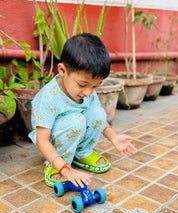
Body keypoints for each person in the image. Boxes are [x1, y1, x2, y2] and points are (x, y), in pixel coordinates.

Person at [29, 33, 136, 188]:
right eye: (82, 84)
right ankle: (59, 162)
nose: (88, 92)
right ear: (62, 70)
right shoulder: (49, 97)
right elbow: (42, 140)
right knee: (75, 120)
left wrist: (114, 137)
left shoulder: (87, 92)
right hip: (52, 140)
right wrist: (65, 170)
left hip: (73, 127)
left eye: (95, 86)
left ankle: (81, 153)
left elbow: (97, 117)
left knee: (98, 113)